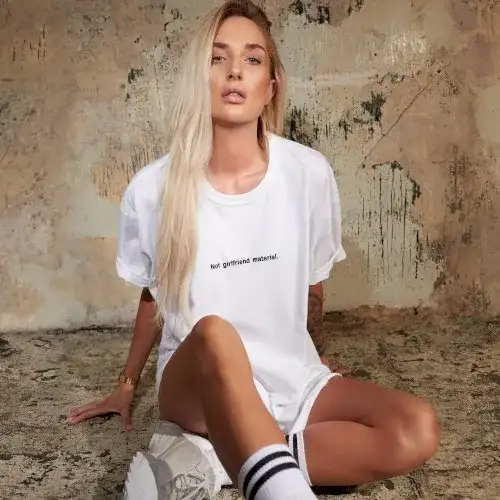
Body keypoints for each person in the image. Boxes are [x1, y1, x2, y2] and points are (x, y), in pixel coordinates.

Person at [68, 1, 440, 499]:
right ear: (198, 78)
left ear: (271, 85)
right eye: (217, 58)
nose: (235, 72)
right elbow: (153, 295)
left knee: (416, 427)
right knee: (217, 334)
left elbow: (312, 283)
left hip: (290, 376)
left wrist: (318, 356)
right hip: (196, 384)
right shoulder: (153, 188)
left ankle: (216, 463)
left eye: (252, 59)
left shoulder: (308, 174)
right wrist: (127, 382)